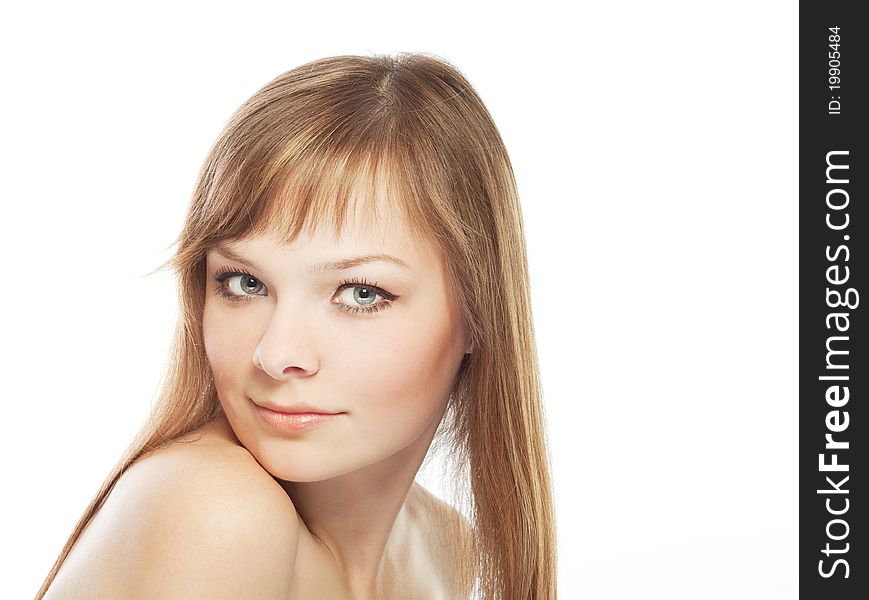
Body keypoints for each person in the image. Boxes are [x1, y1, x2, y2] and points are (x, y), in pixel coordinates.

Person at [36, 52, 556, 600]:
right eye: (245, 284)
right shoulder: (217, 509)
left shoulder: (448, 547)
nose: (277, 352)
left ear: (480, 314)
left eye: (360, 294)